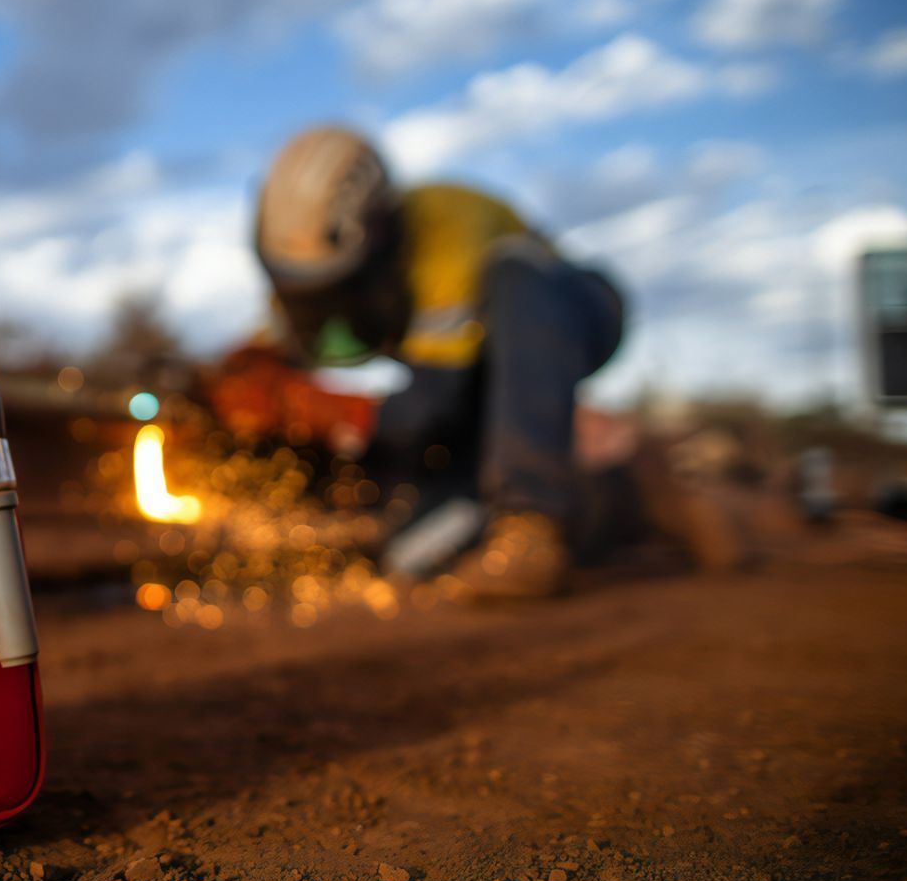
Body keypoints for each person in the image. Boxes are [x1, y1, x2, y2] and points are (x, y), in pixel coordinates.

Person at [248, 125, 626, 597]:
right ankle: (612, 500)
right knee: (412, 549)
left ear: (378, 233)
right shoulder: (308, 266)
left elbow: (432, 402)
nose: (318, 303)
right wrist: (247, 380)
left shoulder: (447, 230)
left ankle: (532, 522)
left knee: (515, 271)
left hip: (572, 318)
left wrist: (339, 413)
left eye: (333, 287)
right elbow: (285, 347)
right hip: (480, 390)